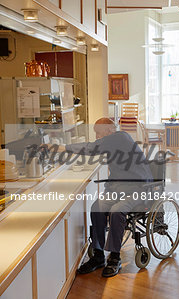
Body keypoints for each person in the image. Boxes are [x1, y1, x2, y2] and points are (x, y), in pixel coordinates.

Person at [47, 118, 153, 277]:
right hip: (121, 188)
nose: (97, 136)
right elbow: (94, 150)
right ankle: (98, 256)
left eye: (98, 132)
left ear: (109, 129)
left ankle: (115, 258)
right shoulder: (112, 143)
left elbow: (92, 147)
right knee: (97, 207)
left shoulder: (120, 137)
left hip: (139, 188)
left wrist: (62, 147)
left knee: (117, 210)